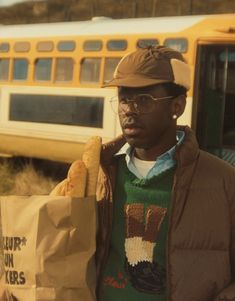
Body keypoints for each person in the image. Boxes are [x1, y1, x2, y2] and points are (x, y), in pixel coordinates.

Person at [95, 45, 235, 301]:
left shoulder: (224, 182)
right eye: (124, 99)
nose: (130, 110)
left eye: (144, 100)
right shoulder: (100, 176)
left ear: (177, 106)